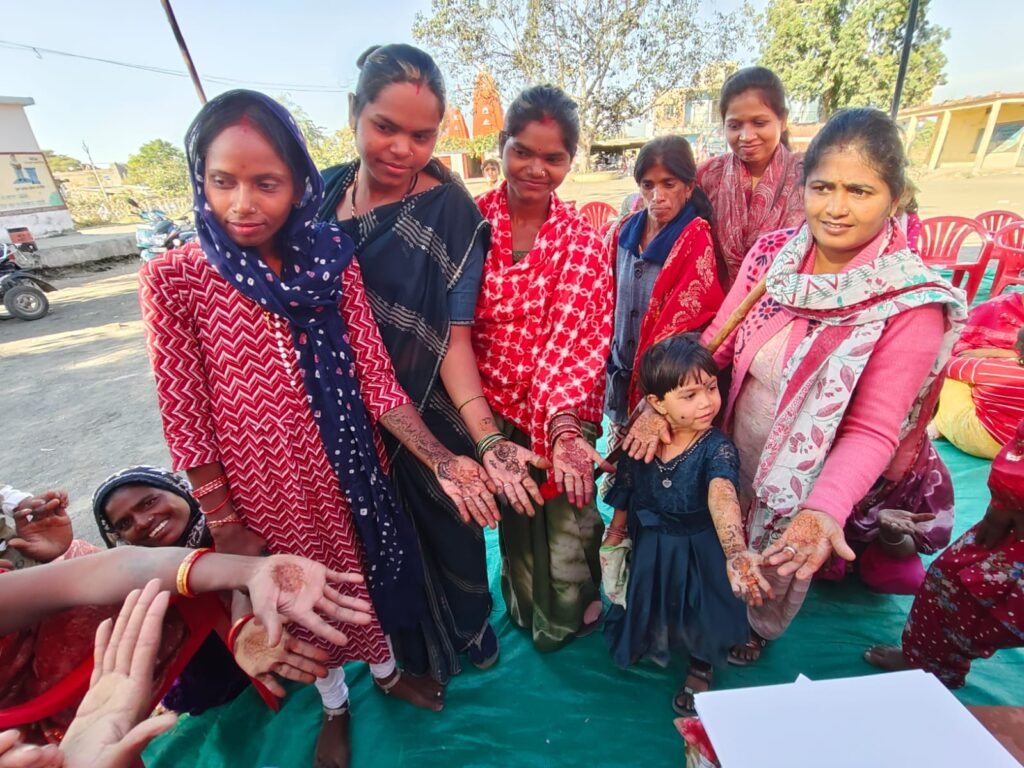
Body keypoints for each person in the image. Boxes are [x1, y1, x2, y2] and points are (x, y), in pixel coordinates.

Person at [138, 89, 498, 767]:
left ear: (299, 183)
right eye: (223, 182)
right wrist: (222, 518)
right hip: (265, 490)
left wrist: (440, 460)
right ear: (201, 182)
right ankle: (336, 703)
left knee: (367, 577)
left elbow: (376, 378)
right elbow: (184, 415)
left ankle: (388, 673)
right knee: (305, 598)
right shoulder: (175, 278)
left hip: (356, 469)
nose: (243, 203)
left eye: (265, 183)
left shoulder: (329, 256)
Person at [621, 107, 966, 663]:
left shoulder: (910, 303)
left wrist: (824, 509)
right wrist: (664, 403)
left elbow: (873, 428)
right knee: (720, 529)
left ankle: (757, 625)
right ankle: (716, 609)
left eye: (859, 190)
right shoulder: (774, 258)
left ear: (895, 196)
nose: (835, 208)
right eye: (822, 187)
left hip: (812, 471)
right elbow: (718, 343)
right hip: (734, 433)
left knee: (782, 557)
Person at [318, 45, 544, 684]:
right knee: (378, 538)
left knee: (455, 528)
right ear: (353, 113)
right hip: (347, 412)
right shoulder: (319, 199)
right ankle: (405, 648)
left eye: (421, 136)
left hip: (432, 408)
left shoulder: (452, 215)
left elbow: (455, 341)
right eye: (384, 126)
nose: (401, 148)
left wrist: (487, 440)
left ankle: (472, 628)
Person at [474, 84, 615, 651]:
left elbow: (580, 339)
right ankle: (524, 603)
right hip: (488, 407)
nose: (536, 168)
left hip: (564, 407)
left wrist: (558, 429)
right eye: (522, 151)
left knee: (566, 520)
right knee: (516, 517)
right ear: (501, 147)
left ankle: (568, 612)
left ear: (570, 161)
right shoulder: (471, 223)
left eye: (553, 157)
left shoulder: (582, 241)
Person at [604, 336, 770, 716]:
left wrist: (734, 550)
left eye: (711, 388)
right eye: (690, 395)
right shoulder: (641, 438)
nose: (707, 403)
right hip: (651, 541)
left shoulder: (717, 446)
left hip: (700, 546)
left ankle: (701, 664)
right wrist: (616, 531)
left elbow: (722, 494)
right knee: (653, 594)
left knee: (702, 605)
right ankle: (649, 634)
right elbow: (626, 486)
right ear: (656, 403)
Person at [93, 466, 327, 707]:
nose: (141, 522)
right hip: (219, 695)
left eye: (149, 502)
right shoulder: (142, 577)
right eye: (124, 523)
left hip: (311, 657)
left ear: (179, 489)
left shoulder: (239, 522)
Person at [865, 418, 1024, 688]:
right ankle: (929, 664)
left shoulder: (924, 472)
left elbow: (917, 544)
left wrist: (892, 535)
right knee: (949, 583)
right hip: (1012, 518)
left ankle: (930, 665)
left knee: (951, 589)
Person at [604, 135, 726, 447]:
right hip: (619, 372)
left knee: (656, 461)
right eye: (648, 185)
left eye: (669, 184)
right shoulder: (623, 232)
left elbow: (691, 323)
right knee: (621, 461)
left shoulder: (694, 238)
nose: (657, 196)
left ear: (689, 187)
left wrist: (656, 394)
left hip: (664, 386)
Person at [697, 66, 805, 284]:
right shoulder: (706, 177)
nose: (746, 136)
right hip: (719, 311)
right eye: (735, 125)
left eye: (759, 123)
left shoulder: (809, 176)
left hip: (783, 309)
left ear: (782, 120)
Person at [932, 293, 1024, 459]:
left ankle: (939, 422)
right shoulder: (996, 308)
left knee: (949, 378)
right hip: (1015, 440)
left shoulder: (992, 369)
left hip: (991, 438)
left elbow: (943, 364)